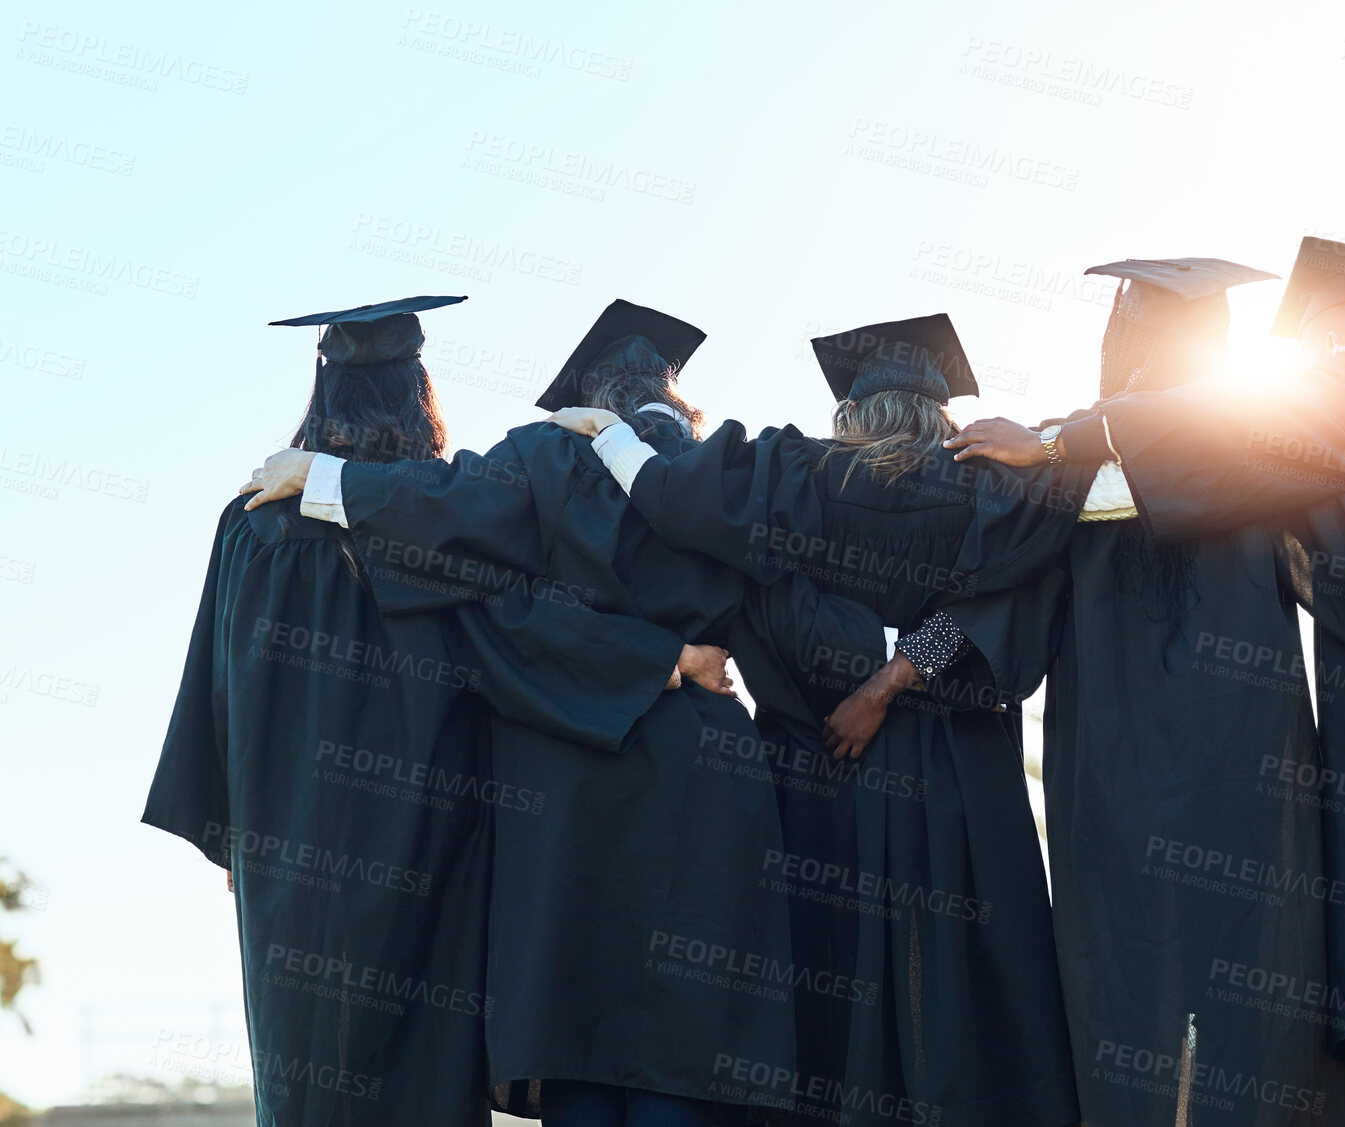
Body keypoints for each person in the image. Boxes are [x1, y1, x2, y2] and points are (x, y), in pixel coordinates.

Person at [861, 257, 1345, 1127]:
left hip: (1116, 787)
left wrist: (896, 673)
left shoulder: (1060, 464)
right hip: (1250, 781)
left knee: (1127, 1008)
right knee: (1260, 1013)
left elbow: (995, 601)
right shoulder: (1256, 458)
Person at [241, 300, 886, 1127]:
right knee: (693, 1054)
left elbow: (445, 509)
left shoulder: (547, 457)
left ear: (589, 399)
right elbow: (804, 627)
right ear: (673, 396)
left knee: (579, 1051)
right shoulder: (733, 473)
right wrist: (898, 669)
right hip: (708, 783)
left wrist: (323, 476)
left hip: (566, 783)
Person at [553, 314, 1081, 1127]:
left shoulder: (797, 476)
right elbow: (1013, 601)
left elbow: (706, 525)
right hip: (958, 781)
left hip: (822, 768)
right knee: (962, 999)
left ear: (850, 414)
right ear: (940, 412)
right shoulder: (993, 490)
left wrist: (615, 441)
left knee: (824, 1000)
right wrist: (906, 670)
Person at [146, 294, 638, 1127]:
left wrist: (231, 827)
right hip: (431, 839)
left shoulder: (250, 524)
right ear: (420, 392)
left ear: (323, 391)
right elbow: (517, 641)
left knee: (307, 1080)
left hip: (288, 847)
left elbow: (214, 689)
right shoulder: (440, 515)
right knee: (425, 1074)